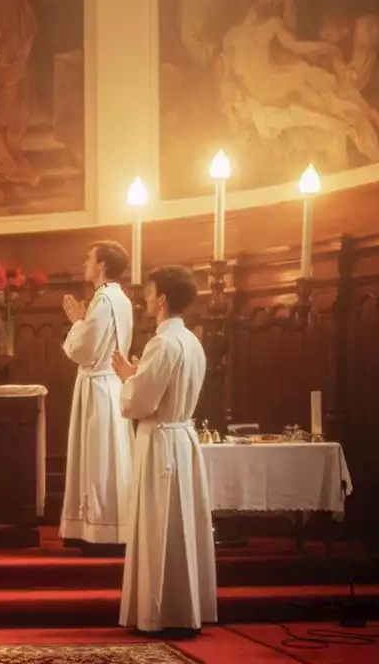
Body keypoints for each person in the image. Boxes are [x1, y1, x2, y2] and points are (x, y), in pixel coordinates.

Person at [111, 265, 217, 637]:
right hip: (181, 436)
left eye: (150, 292)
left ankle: (159, 613)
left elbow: (140, 403)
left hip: (160, 444)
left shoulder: (163, 343)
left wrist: (128, 379)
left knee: (161, 525)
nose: (144, 298)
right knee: (180, 523)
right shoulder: (190, 341)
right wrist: (140, 378)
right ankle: (184, 607)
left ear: (163, 299)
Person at [60, 241, 134, 556]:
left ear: (102, 265)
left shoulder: (103, 300)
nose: (85, 263)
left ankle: (101, 530)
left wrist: (77, 321)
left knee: (99, 457)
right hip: (110, 383)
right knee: (110, 456)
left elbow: (83, 350)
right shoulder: (121, 299)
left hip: (99, 385)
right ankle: (108, 525)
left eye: (89, 258)